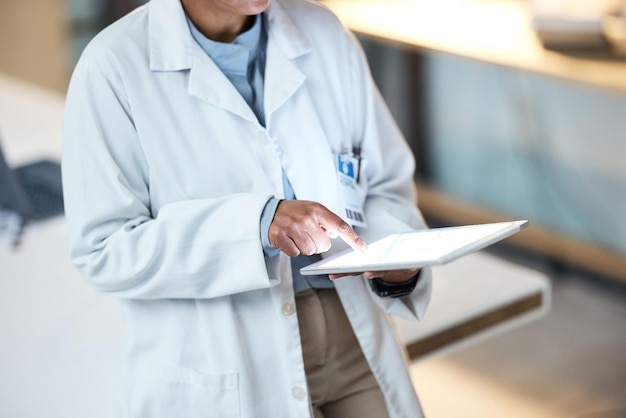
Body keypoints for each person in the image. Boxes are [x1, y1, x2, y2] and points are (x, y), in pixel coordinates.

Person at [61, 0, 433, 416]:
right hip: (226, 360)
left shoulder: (323, 32)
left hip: (353, 333)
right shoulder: (112, 65)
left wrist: (395, 261)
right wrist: (257, 223)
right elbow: (105, 249)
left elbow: (384, 184)